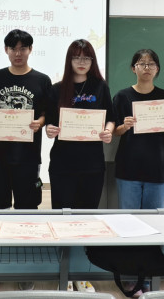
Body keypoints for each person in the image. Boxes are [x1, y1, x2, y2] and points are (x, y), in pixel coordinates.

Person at [0, 29, 51, 291]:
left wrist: (39, 122)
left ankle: (26, 266)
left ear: (30, 50)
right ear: (6, 50)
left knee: (27, 211)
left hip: (28, 157)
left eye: (23, 48)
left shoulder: (42, 79)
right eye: (13, 48)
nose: (18, 53)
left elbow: (46, 113)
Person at [45, 38, 114, 293]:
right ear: (69, 60)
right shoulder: (57, 89)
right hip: (63, 164)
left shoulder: (100, 86)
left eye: (86, 58)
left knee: (86, 220)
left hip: (92, 165)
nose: (82, 62)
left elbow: (111, 117)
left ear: (92, 61)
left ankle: (81, 274)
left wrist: (108, 131)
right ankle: (63, 273)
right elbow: (50, 123)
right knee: (63, 219)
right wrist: (49, 129)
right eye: (77, 57)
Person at [112, 49, 164, 297]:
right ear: (133, 68)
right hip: (128, 167)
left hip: (156, 168)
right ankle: (131, 277)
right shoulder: (122, 96)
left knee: (153, 225)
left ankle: (149, 278)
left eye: (151, 64)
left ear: (157, 69)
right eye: (141, 63)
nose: (147, 67)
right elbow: (114, 132)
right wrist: (124, 126)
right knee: (128, 224)